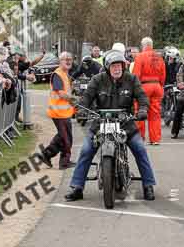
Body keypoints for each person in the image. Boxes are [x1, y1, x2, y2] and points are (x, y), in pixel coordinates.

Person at [64, 51, 156, 201]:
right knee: (86, 150)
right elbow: (86, 98)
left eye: (119, 65)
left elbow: (142, 97)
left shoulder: (132, 79)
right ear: (107, 67)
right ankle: (77, 187)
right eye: (113, 66)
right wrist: (81, 109)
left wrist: (143, 109)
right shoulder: (97, 80)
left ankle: (148, 185)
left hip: (126, 124)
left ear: (123, 66)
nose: (117, 68)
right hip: (101, 124)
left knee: (140, 149)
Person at [40, 52, 78, 169]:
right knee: (66, 139)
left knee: (62, 137)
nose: (68, 61)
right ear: (60, 61)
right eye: (65, 59)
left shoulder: (65, 74)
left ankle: (46, 154)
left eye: (70, 59)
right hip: (58, 113)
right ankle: (64, 162)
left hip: (64, 113)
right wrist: (74, 99)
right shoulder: (58, 74)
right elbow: (61, 93)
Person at [132, 37, 166, 145]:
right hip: (157, 86)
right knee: (155, 114)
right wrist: (160, 85)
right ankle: (155, 139)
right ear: (151, 45)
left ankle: (139, 138)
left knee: (140, 111)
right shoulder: (159, 57)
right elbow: (163, 74)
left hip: (144, 86)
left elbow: (136, 75)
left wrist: (134, 88)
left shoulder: (140, 56)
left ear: (143, 45)